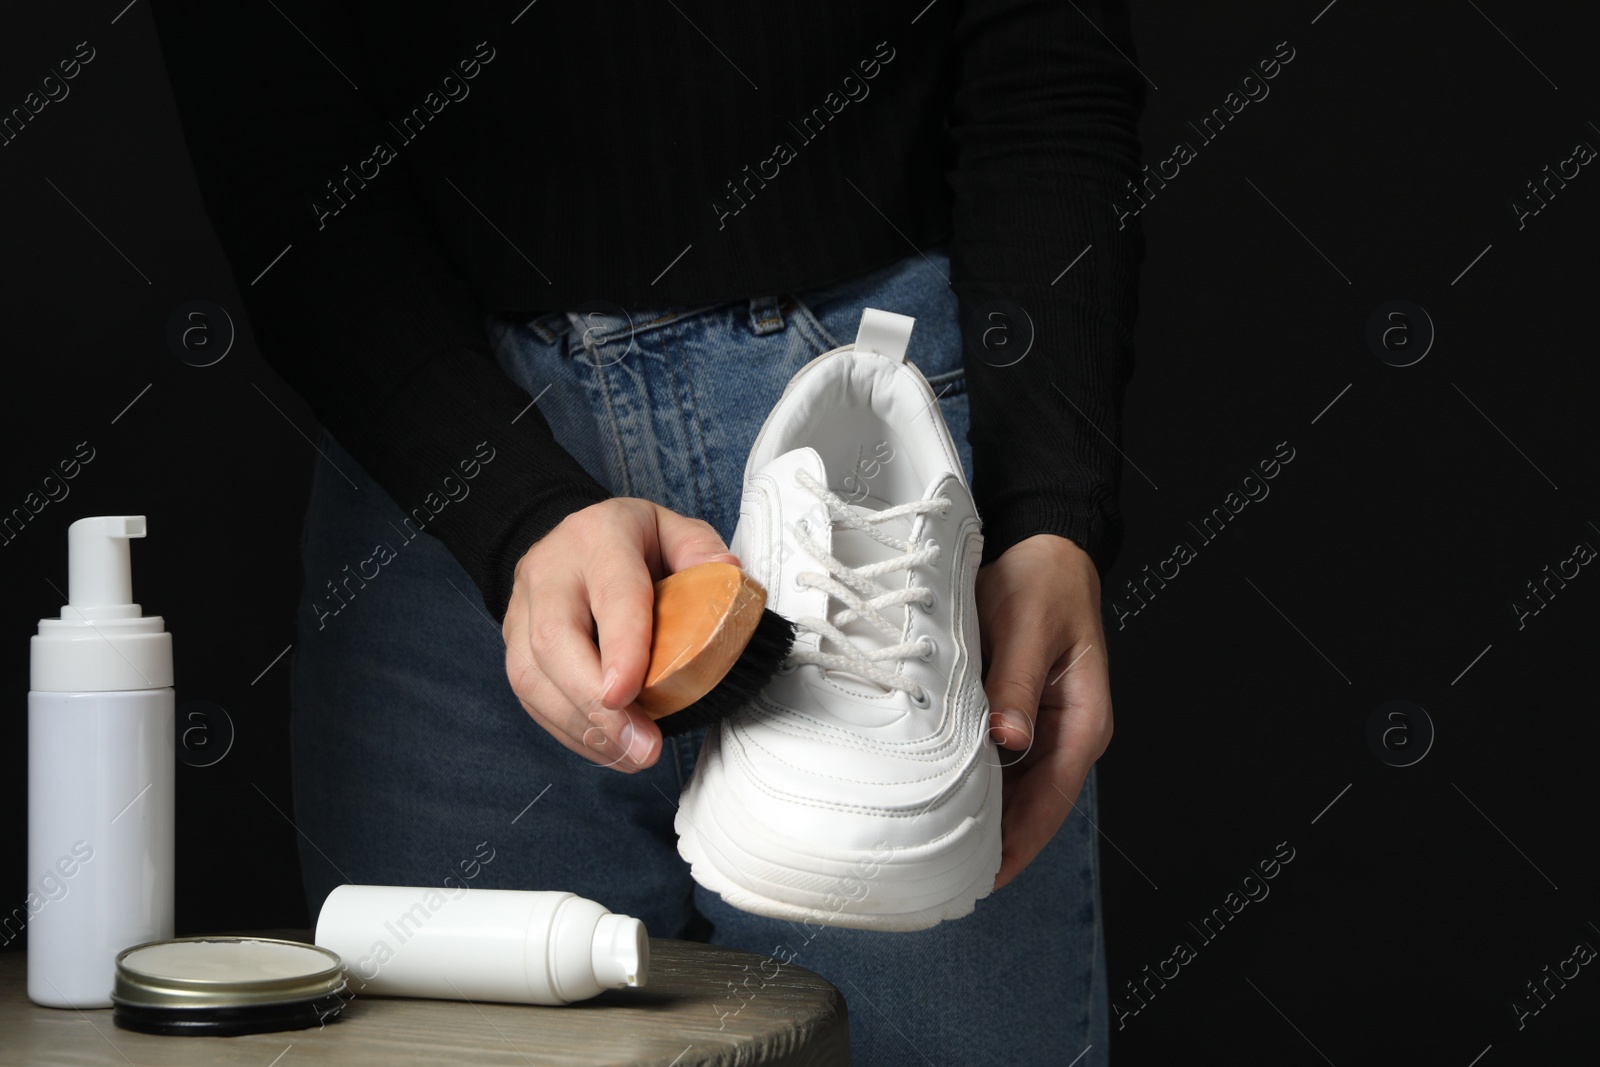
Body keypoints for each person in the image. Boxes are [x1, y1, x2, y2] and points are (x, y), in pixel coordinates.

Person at [153, 2, 1143, 1060]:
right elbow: (266, 109)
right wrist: (509, 508)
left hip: (883, 453)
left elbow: (1045, 48)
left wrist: (1049, 504)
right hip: (437, 451)